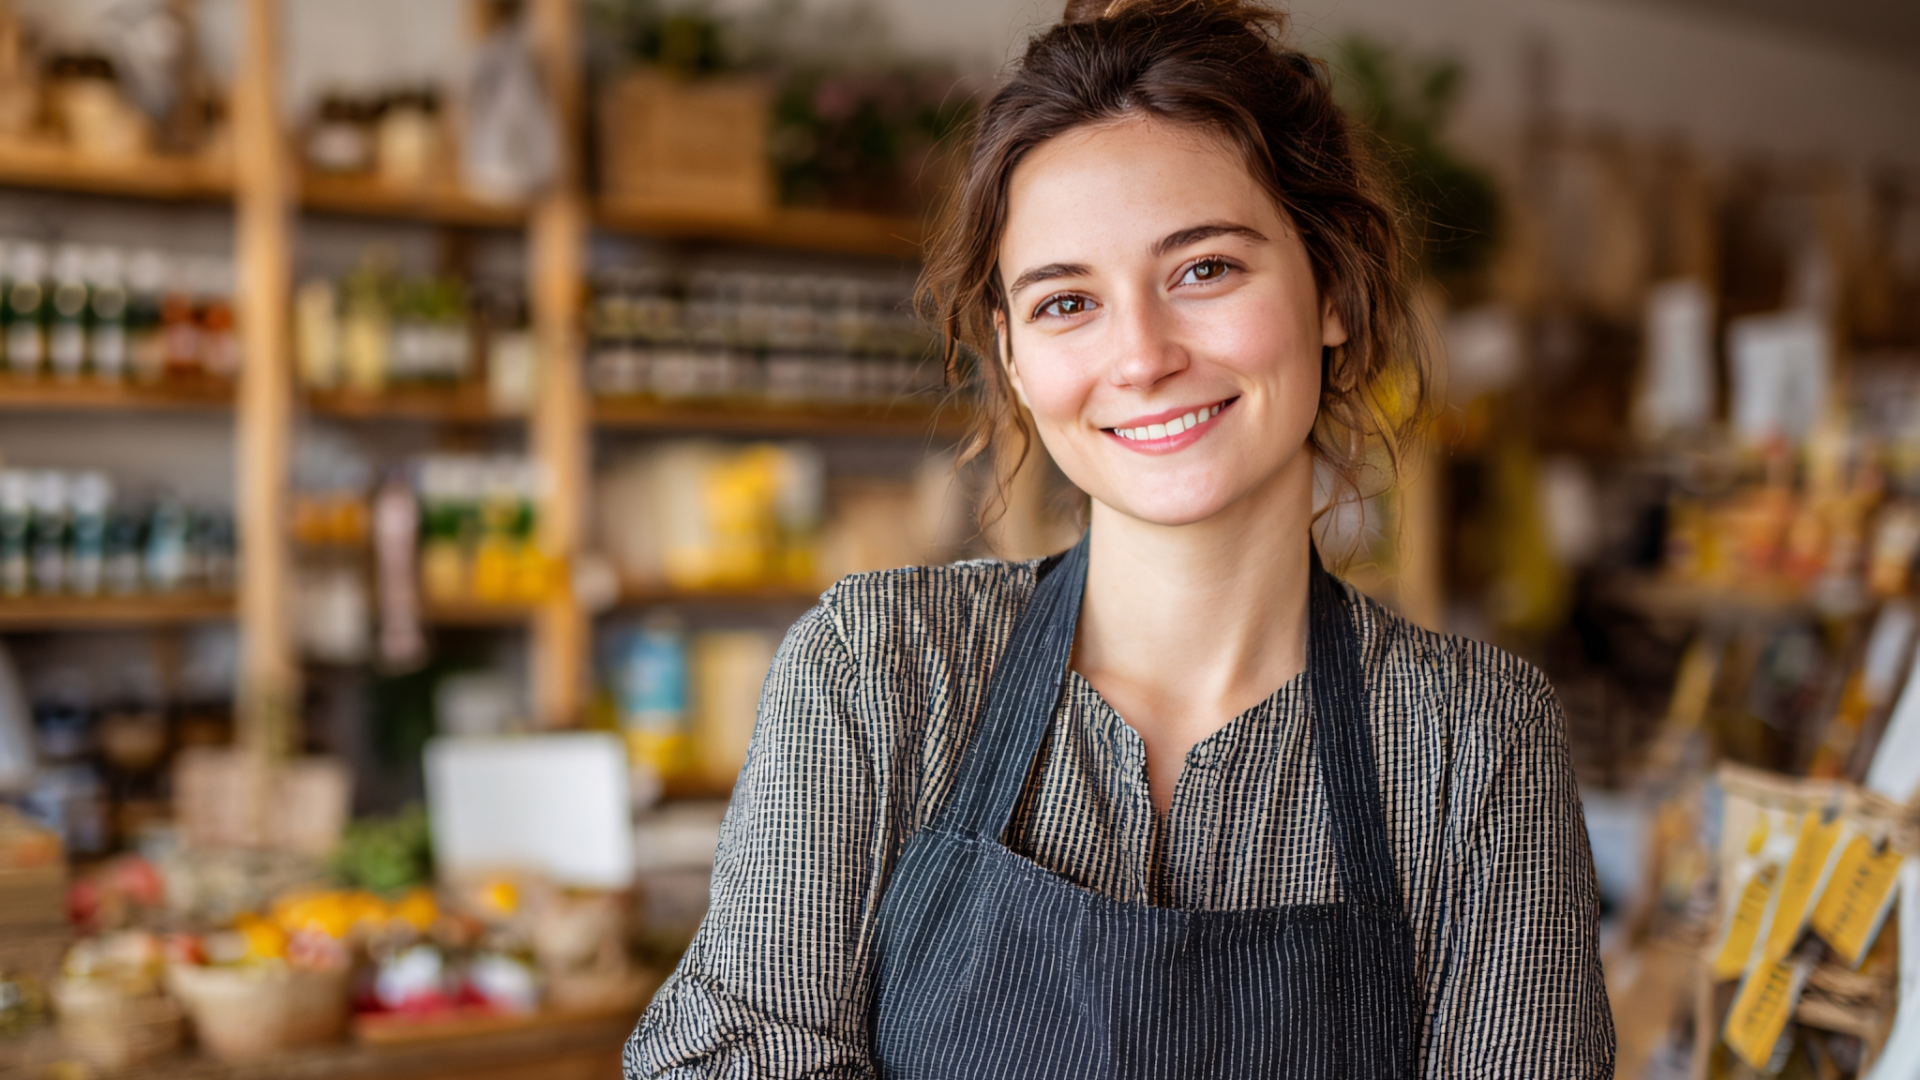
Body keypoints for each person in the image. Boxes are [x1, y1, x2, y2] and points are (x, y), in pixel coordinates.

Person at [625, 0, 1614, 1075]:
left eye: (1205, 270)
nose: (1140, 357)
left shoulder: (1477, 747)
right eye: (1066, 303)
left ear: (1330, 285)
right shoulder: (882, 670)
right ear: (1009, 357)